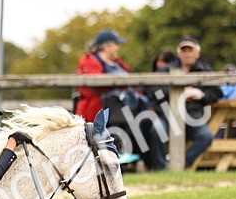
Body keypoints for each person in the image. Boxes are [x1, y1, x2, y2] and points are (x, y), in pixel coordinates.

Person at [76, 30, 166, 170]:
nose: (118, 48)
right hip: (99, 111)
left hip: (125, 111)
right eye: (116, 44)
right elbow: (93, 84)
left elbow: (132, 81)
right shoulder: (89, 61)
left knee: (146, 124)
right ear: (106, 46)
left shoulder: (117, 63)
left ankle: (152, 166)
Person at [166, 36, 223, 168]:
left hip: (194, 116)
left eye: (190, 50)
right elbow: (153, 90)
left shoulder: (206, 70)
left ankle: (181, 165)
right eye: (184, 50)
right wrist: (177, 93)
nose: (187, 54)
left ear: (197, 53)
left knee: (205, 136)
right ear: (178, 54)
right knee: (155, 130)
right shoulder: (167, 70)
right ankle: (158, 167)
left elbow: (217, 93)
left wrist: (200, 95)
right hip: (168, 114)